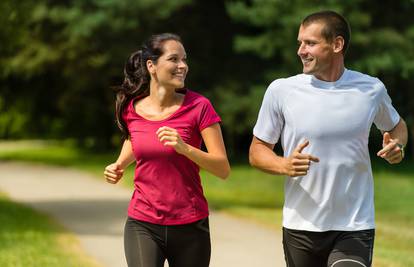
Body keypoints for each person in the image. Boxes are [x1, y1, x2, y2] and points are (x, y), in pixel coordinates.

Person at [249, 10, 408, 267]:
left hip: (354, 224)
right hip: (301, 224)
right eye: (300, 42)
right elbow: (257, 151)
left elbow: (397, 126)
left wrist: (397, 145)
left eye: (310, 43)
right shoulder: (282, 90)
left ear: (337, 44)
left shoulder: (370, 89)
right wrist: (284, 165)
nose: (301, 50)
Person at [104, 33, 230, 267]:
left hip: (190, 224)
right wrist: (119, 164)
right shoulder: (132, 109)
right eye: (174, 59)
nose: (182, 66)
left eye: (184, 59)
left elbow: (222, 168)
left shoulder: (199, 107)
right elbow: (136, 139)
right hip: (142, 222)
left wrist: (185, 149)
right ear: (151, 65)